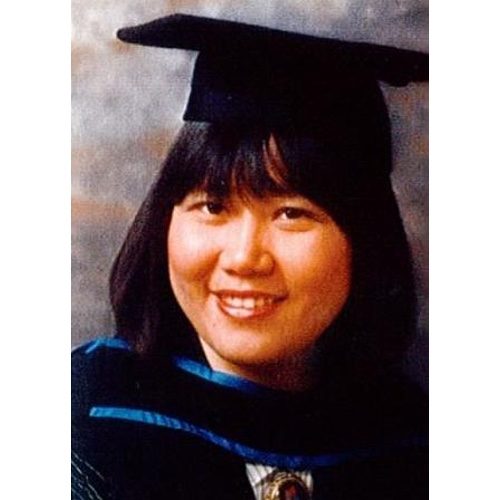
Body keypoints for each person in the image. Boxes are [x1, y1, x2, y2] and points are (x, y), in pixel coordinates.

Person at [72, 14, 428, 500]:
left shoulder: (415, 445)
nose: (243, 258)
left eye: (291, 214)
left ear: (366, 239)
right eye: (212, 207)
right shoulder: (80, 421)